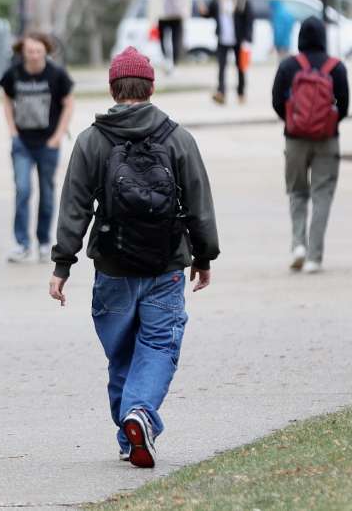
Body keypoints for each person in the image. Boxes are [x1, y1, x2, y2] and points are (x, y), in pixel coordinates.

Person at [48, 46, 220, 468]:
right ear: (151, 87)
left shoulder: (92, 141)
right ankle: (139, 416)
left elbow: (74, 206)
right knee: (159, 346)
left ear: (112, 87)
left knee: (121, 354)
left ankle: (129, 433)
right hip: (166, 266)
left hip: (113, 267)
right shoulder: (177, 138)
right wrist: (204, 256)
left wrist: (62, 265)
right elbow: (198, 201)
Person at [271, 17, 350, 273]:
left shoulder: (288, 66)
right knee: (322, 194)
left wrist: (293, 121)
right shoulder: (336, 68)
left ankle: (298, 246)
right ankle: (314, 256)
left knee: (297, 192)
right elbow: (345, 106)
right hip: (327, 140)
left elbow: (276, 101)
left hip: (294, 139)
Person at [0, 32, 75, 263]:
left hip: (48, 144)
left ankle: (43, 242)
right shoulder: (14, 74)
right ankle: (22, 244)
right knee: (22, 190)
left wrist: (58, 136)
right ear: (23, 52)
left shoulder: (57, 75)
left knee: (47, 193)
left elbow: (69, 104)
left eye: (38, 51)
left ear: (46, 51)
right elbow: (6, 99)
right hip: (22, 143)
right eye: (29, 51)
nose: (33, 56)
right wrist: (12, 132)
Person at [199, 0, 252, 104]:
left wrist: (248, 38)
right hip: (223, 37)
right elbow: (209, 13)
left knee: (240, 67)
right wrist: (203, 11)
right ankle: (221, 93)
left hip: (238, 38)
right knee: (221, 67)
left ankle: (241, 92)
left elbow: (249, 19)